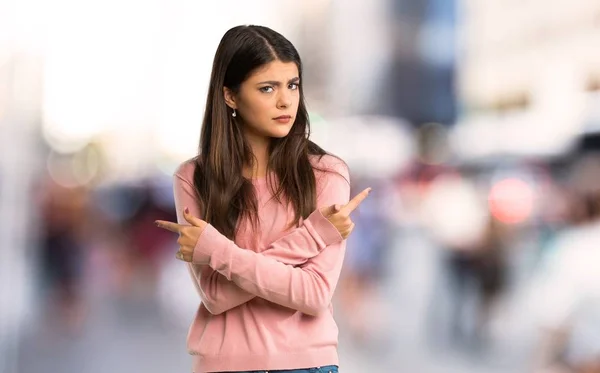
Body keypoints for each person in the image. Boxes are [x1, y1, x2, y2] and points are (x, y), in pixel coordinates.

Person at [155, 25, 371, 373]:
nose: (285, 100)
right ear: (230, 96)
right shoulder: (193, 178)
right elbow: (216, 297)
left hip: (308, 367)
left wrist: (218, 250)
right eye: (267, 88)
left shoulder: (327, 174)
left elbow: (314, 294)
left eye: (292, 85)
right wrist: (314, 236)